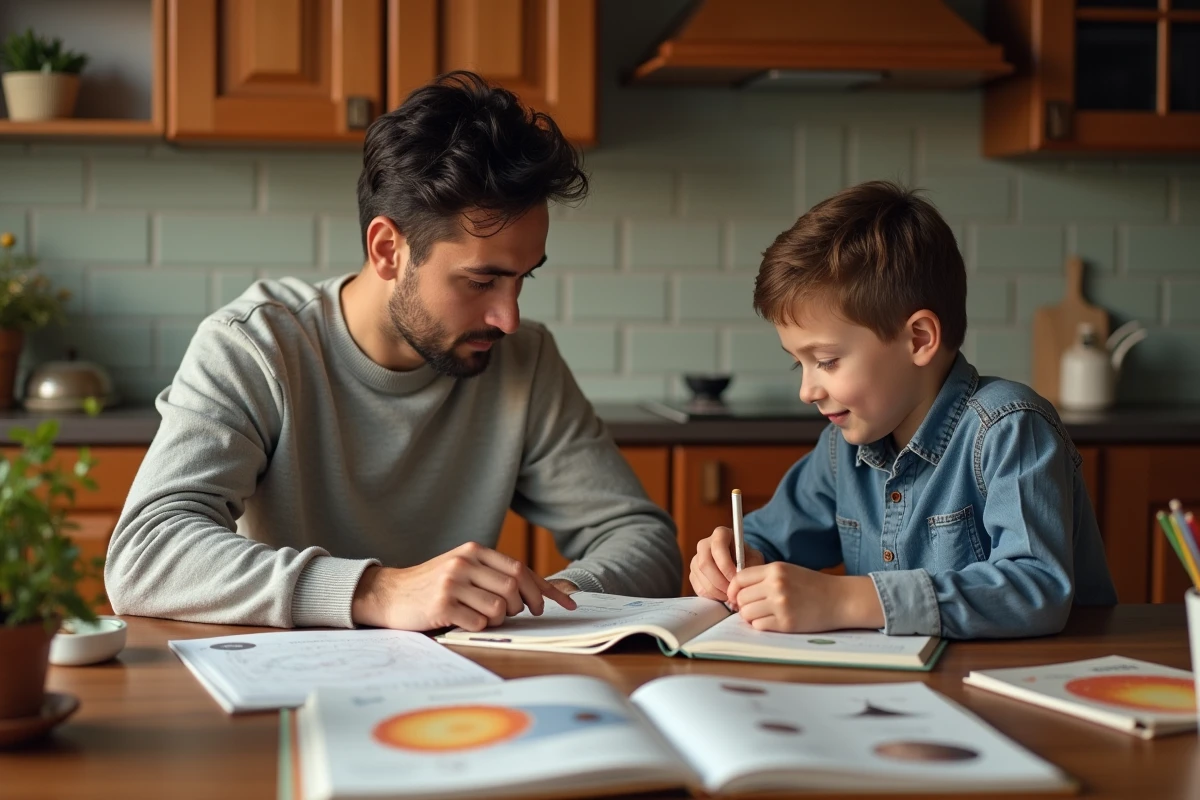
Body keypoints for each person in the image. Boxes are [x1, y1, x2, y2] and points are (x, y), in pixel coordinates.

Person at [105, 71, 681, 632]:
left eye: (524, 278)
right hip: (285, 688)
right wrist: (380, 591)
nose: (509, 317)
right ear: (387, 250)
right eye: (481, 282)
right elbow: (146, 554)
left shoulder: (523, 360)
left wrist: (557, 604)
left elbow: (642, 538)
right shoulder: (255, 346)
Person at [689, 181, 1117, 639]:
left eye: (827, 361)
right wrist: (735, 557)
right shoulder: (841, 447)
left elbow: (1037, 589)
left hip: (1029, 686)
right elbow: (772, 540)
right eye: (799, 363)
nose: (807, 390)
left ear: (918, 339)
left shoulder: (1010, 429)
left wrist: (849, 599)